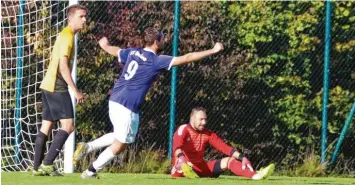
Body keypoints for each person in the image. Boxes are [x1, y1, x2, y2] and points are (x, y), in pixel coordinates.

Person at [73, 27, 224, 179]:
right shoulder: (155, 61)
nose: (165, 40)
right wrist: (212, 50)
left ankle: (87, 147)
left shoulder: (133, 52)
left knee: (121, 137)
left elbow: (117, 51)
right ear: (156, 42)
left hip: (114, 100)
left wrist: (105, 46)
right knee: (120, 145)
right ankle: (89, 173)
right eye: (163, 38)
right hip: (127, 106)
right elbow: (186, 58)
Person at [32, 4, 87, 176]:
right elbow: (63, 67)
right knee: (68, 126)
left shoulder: (67, 35)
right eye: (81, 16)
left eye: (85, 16)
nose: (85, 20)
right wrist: (75, 91)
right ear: (71, 18)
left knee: (46, 126)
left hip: (47, 84)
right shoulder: (67, 36)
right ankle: (47, 164)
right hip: (57, 84)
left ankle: (36, 168)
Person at [171, 107, 274, 180]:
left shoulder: (208, 134)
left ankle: (255, 175)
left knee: (229, 160)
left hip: (200, 168)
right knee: (183, 164)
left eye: (205, 119)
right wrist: (181, 158)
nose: (204, 122)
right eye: (201, 119)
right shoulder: (184, 129)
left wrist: (242, 157)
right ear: (192, 118)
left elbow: (224, 147)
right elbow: (177, 147)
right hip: (182, 167)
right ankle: (185, 171)